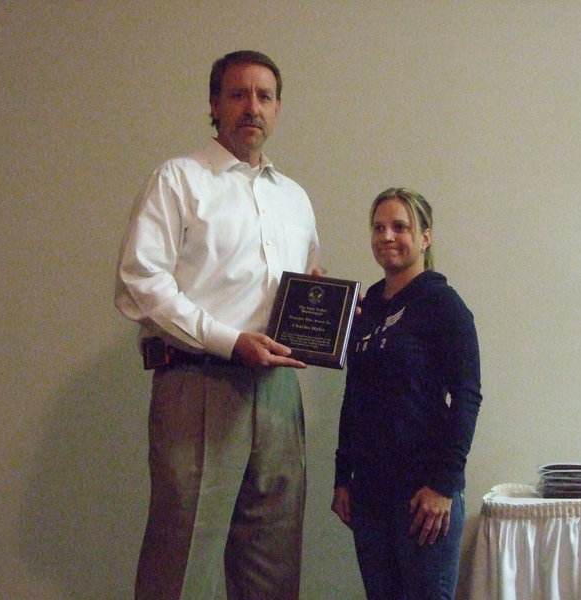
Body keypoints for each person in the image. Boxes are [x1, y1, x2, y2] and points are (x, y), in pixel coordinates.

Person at [115, 50, 320, 600]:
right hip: (199, 385)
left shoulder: (295, 200)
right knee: (181, 564)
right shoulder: (178, 180)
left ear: (278, 109)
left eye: (265, 96)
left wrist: (315, 300)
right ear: (214, 104)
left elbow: (298, 292)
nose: (252, 107)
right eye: (238, 94)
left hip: (279, 393)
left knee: (274, 568)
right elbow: (141, 281)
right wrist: (230, 342)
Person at [331, 188, 482, 600]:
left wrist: (443, 486)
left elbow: (467, 398)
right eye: (378, 227)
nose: (387, 236)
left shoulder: (444, 305)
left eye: (400, 226)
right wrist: (343, 477)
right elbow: (354, 397)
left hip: (422, 498)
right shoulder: (365, 310)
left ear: (425, 238)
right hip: (370, 495)